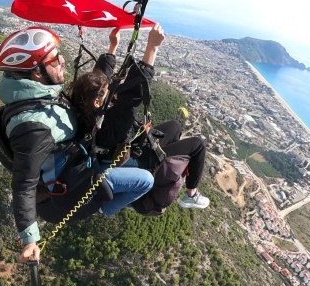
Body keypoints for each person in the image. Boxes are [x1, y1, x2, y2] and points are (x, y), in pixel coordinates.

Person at [0, 26, 154, 263]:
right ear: (37, 72)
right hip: (66, 197)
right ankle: (105, 208)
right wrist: (30, 239)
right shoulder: (34, 126)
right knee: (146, 179)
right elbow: (23, 184)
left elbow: (93, 87)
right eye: (55, 59)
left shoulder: (39, 96)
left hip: (71, 173)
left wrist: (112, 50)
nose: (62, 61)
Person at [69, 24, 210, 211]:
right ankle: (190, 195)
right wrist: (152, 47)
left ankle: (167, 172)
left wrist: (112, 48)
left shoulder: (83, 105)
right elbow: (133, 95)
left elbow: (99, 78)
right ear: (97, 101)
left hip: (128, 145)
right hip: (136, 158)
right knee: (198, 145)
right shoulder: (112, 124)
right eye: (106, 92)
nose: (110, 92)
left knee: (175, 126)